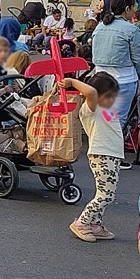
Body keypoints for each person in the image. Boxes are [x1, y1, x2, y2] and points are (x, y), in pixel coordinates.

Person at [59, 74, 123, 242]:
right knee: (105, 195)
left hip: (112, 155)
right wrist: (72, 82)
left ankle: (94, 224)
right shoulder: (89, 108)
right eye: (109, 95)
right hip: (102, 155)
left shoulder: (105, 108)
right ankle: (82, 222)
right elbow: (92, 93)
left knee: (106, 193)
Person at [91, 0, 140, 156]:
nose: (135, 11)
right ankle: (113, 156)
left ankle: (100, 151)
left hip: (99, 78)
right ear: (127, 9)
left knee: (103, 118)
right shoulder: (131, 29)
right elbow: (137, 58)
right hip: (123, 80)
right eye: (134, 8)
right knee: (118, 121)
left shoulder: (100, 27)